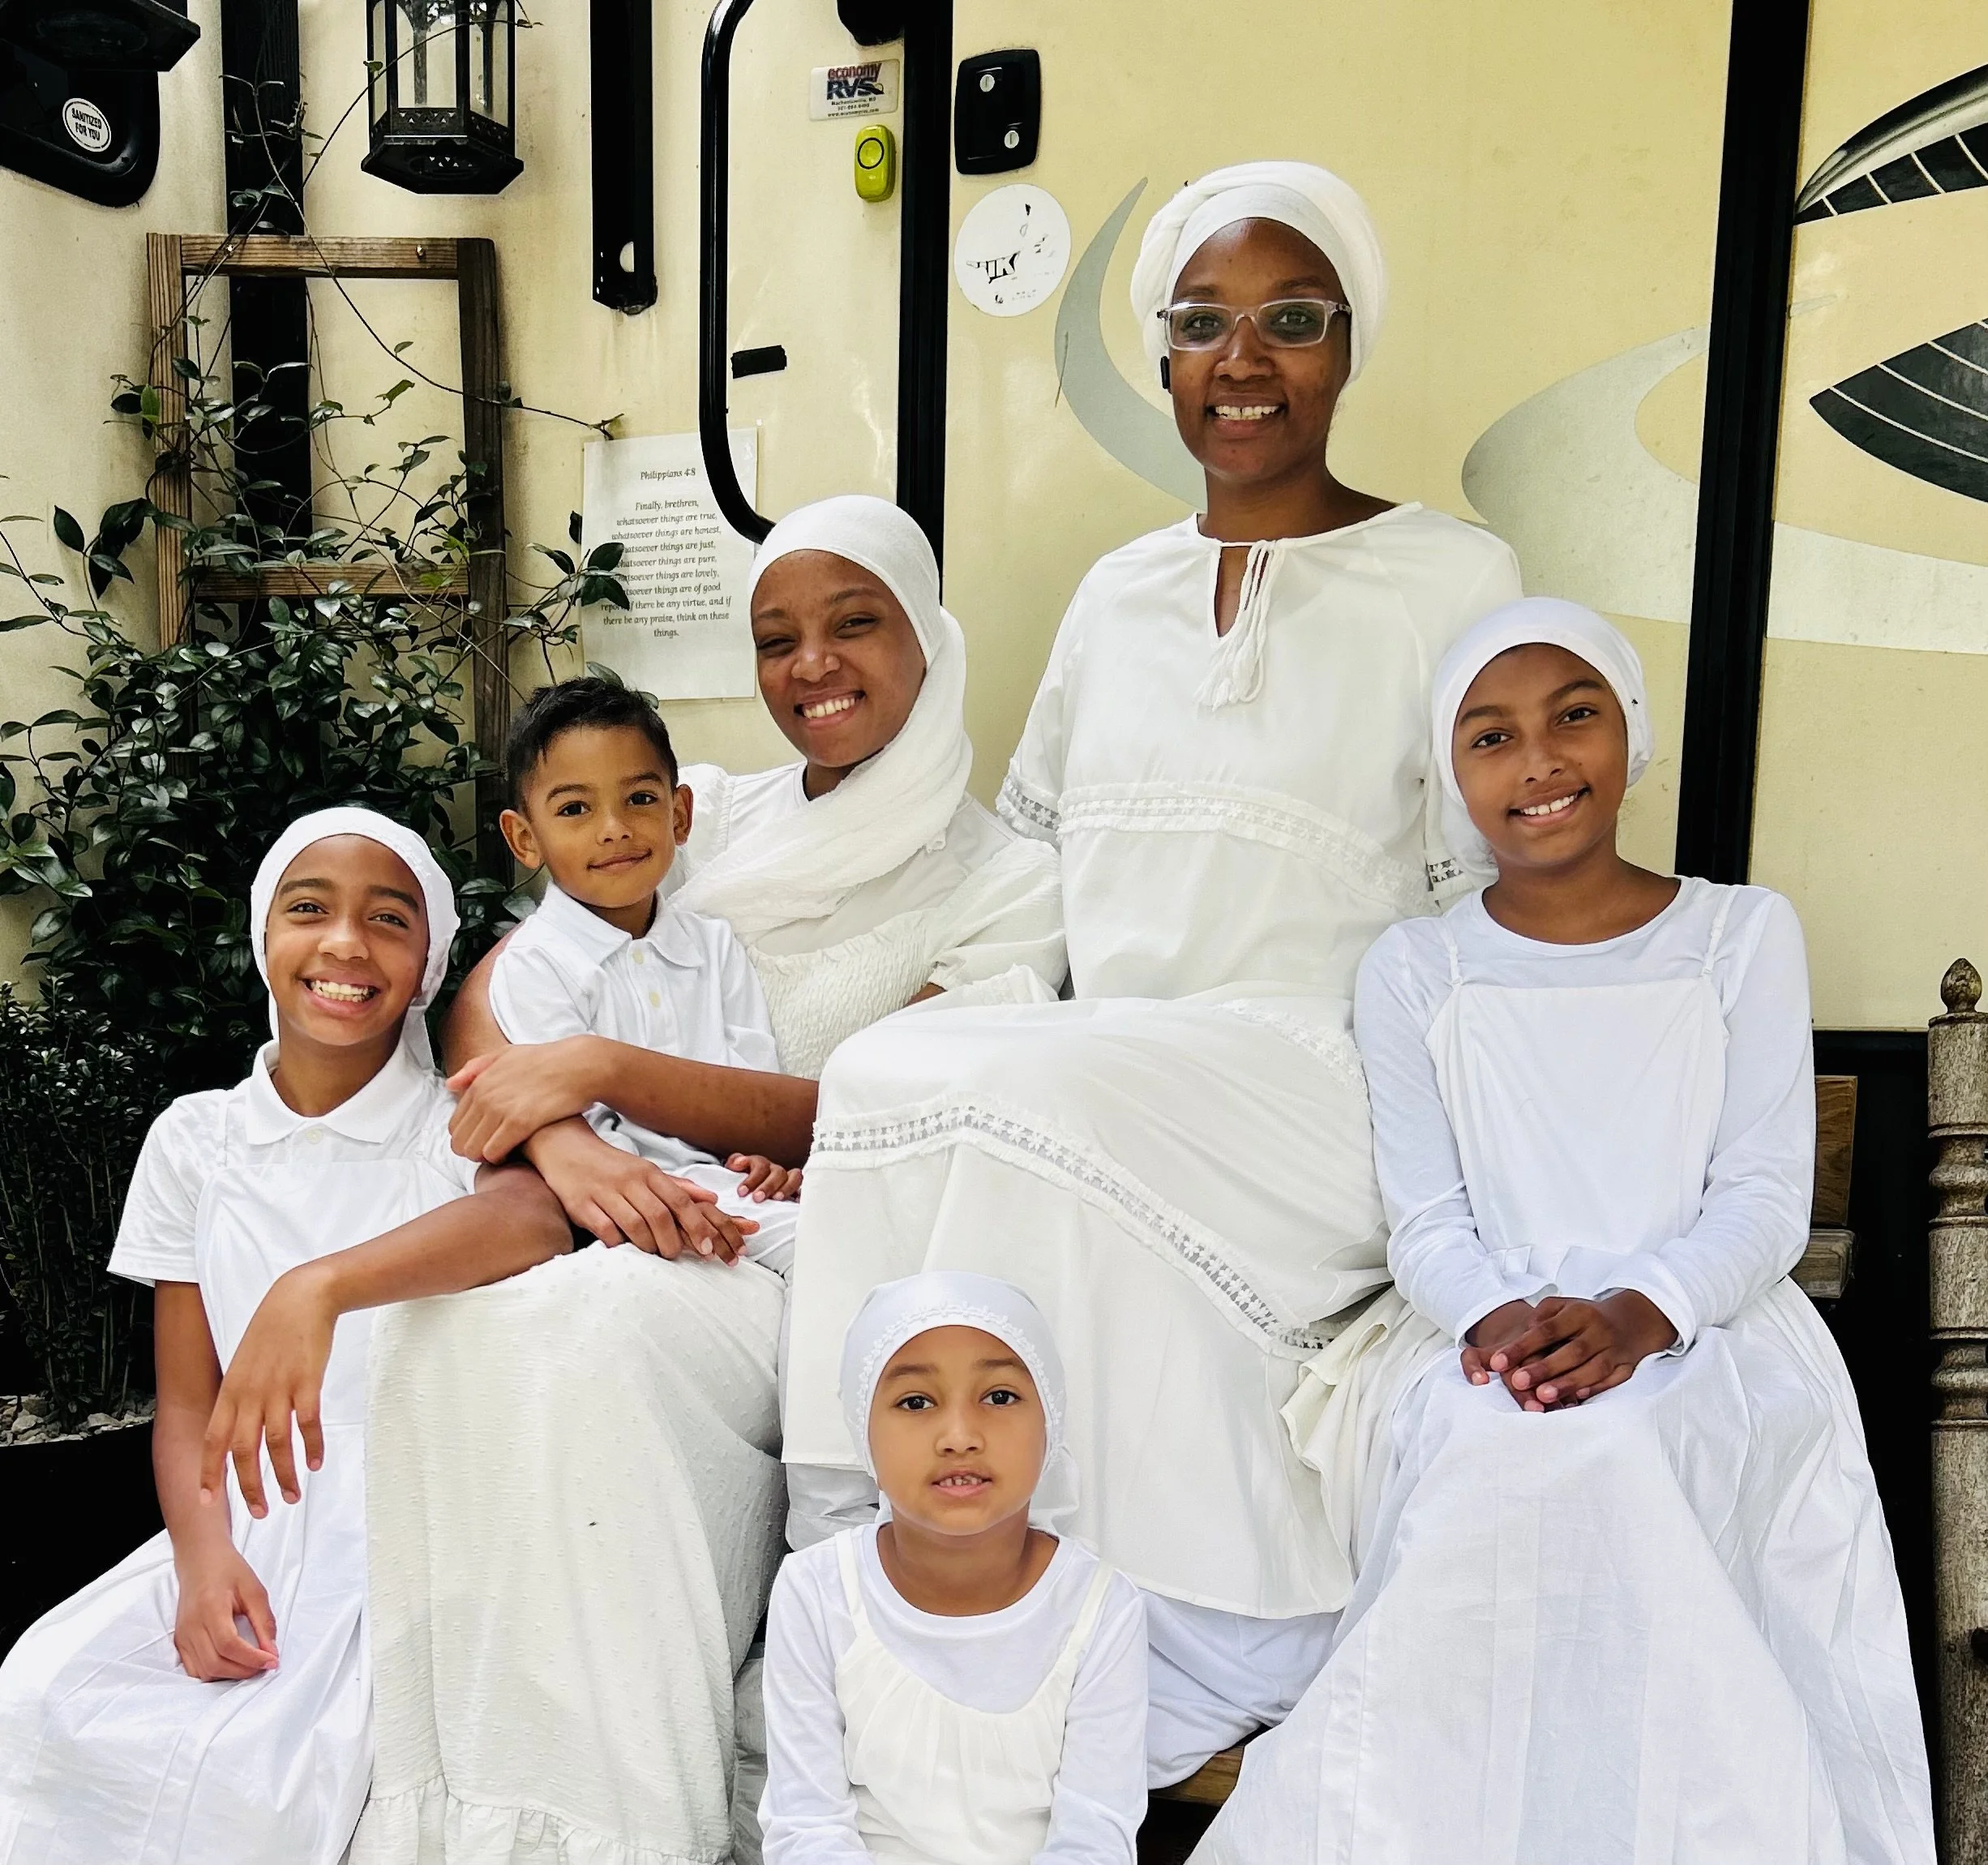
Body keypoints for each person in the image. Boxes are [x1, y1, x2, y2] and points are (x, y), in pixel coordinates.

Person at [779, 160, 1523, 1786]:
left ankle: (1198, 1629)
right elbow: (1038, 885)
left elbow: (1485, 904)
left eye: (1290, 321)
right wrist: (914, 1029)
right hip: (1106, 1053)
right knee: (897, 1076)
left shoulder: (1452, 581)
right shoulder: (1114, 598)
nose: (1241, 362)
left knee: (1036, 1087)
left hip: (1319, 1077)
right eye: (1200, 323)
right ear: (1161, 354)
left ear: (1345, 348)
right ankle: (886, 1594)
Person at [356, 496, 1066, 1865]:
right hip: (621, 1208)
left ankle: (625, 1822)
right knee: (440, 1335)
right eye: (775, 638)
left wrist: (596, 1075)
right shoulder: (712, 812)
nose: (812, 667)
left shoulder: (1002, 880)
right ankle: (473, 1813)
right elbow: (498, 1001)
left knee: (588, 1343)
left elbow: (859, 1111)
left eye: (854, 623)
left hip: (817, 1240)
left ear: (927, 631)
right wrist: (563, 1142)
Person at [1194, 598, 1935, 1864]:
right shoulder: (1419, 968)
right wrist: (1504, 1328)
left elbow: (1762, 1196)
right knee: (1504, 1450)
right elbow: (1427, 1219)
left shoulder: (1738, 934)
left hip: (1707, 1332)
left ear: (1630, 736)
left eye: (1573, 716)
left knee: (1624, 1447)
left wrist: (1639, 1317)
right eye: (1491, 736)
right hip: (1484, 1336)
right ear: (1453, 777)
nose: (1538, 761)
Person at [0, 808, 569, 1865]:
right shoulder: (196, 1142)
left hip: (400, 1536)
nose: (347, 943)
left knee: (280, 1774)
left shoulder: (452, 1124)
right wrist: (204, 1560)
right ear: (264, 935)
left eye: (389, 920)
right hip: (241, 1525)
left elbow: (536, 1217)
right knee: (42, 1693)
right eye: (310, 909)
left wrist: (319, 1286)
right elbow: (185, 1408)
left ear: (430, 963)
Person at [760, 1272, 1146, 1865]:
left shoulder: (1100, 1608)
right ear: (864, 1429)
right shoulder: (817, 1593)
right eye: (916, 1402)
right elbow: (806, 1827)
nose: (960, 1437)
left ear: (1051, 1421)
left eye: (999, 1397)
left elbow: (1095, 1836)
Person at [488, 675, 802, 1271]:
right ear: (525, 839)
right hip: (627, 1213)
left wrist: (763, 1160)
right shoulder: (533, 967)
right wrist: (663, 1197)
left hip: (738, 1194)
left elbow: (750, 1091)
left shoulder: (716, 946)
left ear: (680, 815)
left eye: (640, 799)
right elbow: (574, 1133)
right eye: (575, 809)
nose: (614, 828)